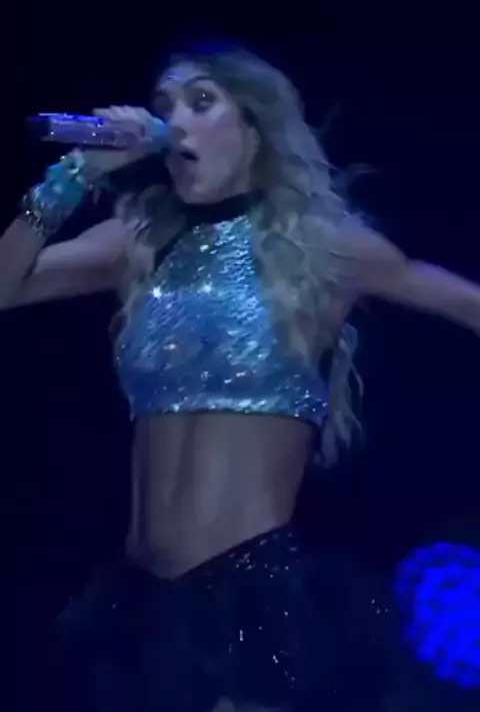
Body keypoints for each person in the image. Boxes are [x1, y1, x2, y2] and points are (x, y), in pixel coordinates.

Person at [2, 44, 480, 711]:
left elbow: (461, 302)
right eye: (164, 107)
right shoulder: (142, 237)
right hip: (139, 605)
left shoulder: (322, 245)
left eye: (201, 102)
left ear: (255, 128)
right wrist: (74, 173)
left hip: (249, 598)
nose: (175, 121)